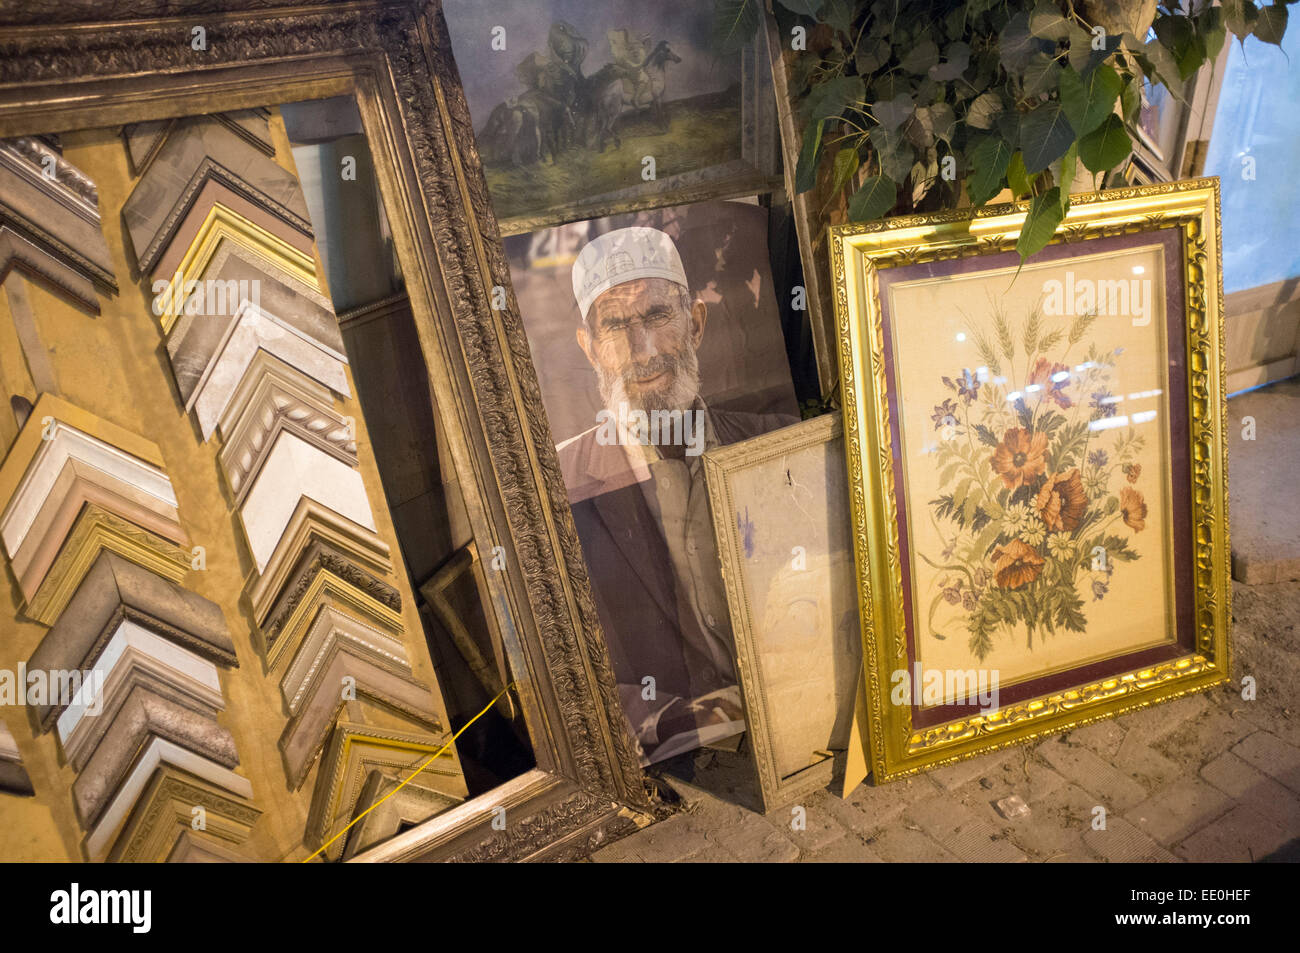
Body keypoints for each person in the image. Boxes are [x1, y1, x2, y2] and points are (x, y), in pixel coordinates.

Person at [556, 226, 795, 762]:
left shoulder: (779, 446)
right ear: (590, 348)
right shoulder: (558, 486)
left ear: (696, 323)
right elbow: (555, 675)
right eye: (615, 325)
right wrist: (673, 721)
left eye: (658, 316)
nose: (642, 351)